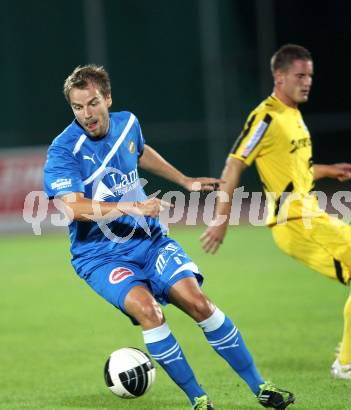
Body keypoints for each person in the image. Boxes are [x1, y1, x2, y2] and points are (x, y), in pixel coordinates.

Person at [43, 64, 295, 409]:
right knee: (150, 312)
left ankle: (261, 387)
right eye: (77, 107)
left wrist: (185, 180)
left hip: (149, 241)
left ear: (108, 99)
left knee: (200, 304)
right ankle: (199, 399)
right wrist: (131, 207)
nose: (86, 114)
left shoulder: (128, 123)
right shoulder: (62, 152)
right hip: (100, 256)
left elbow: (140, 150)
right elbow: (73, 208)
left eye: (92, 103)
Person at [201, 44, 351, 380]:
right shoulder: (265, 116)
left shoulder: (294, 115)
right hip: (293, 222)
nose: (307, 82)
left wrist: (328, 170)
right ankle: (347, 362)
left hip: (313, 213)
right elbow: (233, 165)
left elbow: (296, 171)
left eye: (310, 76)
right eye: (300, 75)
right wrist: (220, 218)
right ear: (279, 77)